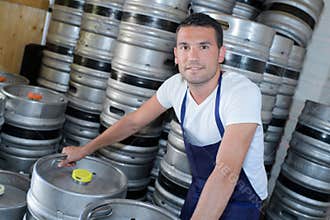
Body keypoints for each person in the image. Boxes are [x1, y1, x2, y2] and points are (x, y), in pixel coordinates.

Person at [59, 13, 267, 220]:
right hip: (201, 187)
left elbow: (225, 172)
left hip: (242, 199)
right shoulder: (175, 86)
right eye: (185, 47)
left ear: (221, 54)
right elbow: (132, 122)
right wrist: (84, 150)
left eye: (204, 47)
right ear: (176, 54)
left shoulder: (241, 92)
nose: (193, 57)